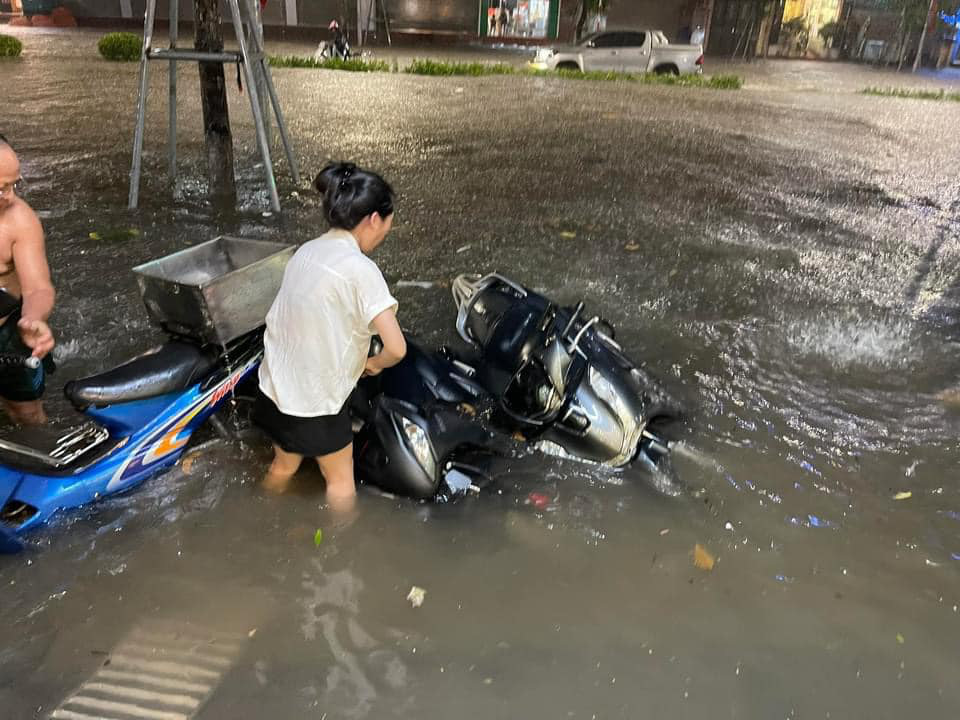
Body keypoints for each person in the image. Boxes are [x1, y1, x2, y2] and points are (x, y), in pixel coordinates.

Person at [255, 162, 406, 511]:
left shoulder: (307, 251)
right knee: (340, 483)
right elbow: (396, 348)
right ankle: (338, 556)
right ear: (373, 219)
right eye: (387, 223)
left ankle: (259, 521)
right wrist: (374, 363)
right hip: (316, 407)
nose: (385, 231)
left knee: (284, 465)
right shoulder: (361, 270)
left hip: (273, 392)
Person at [0, 135, 56, 425]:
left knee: (25, 414)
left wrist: (32, 318)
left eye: (14, 184)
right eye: (0, 188)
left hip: (8, 330)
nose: (9, 196)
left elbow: (37, 288)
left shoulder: (20, 220)